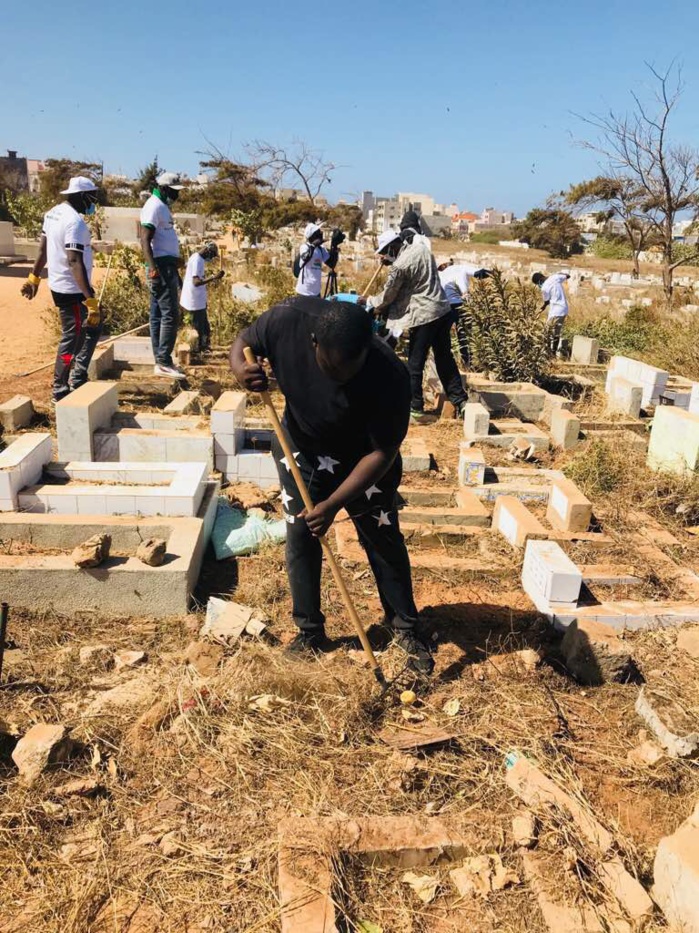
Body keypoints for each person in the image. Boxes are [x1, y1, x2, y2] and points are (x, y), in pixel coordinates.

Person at [230, 299, 434, 675]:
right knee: (301, 536)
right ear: (313, 343)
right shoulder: (285, 321)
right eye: (332, 366)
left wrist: (334, 504)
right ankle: (309, 632)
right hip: (303, 451)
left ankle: (405, 626)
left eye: (350, 369)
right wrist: (242, 368)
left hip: (365, 463)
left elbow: (383, 452)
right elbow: (245, 339)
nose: (340, 378)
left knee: (382, 538)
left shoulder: (389, 373)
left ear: (367, 349)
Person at [364, 230, 467, 423]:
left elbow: (388, 296)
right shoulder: (421, 250)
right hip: (441, 310)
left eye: (386, 252)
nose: (385, 256)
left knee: (415, 362)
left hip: (423, 316)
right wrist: (392, 263)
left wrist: (369, 301)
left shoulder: (400, 265)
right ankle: (460, 401)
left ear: (393, 246)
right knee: (444, 358)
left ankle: (415, 407)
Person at [21, 176, 103, 404]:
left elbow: (42, 250)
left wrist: (34, 278)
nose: (93, 201)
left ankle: (76, 376)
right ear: (80, 196)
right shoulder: (74, 222)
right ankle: (61, 387)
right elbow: (74, 261)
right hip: (72, 289)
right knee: (72, 338)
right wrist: (90, 299)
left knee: (92, 328)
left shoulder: (52, 213)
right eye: (91, 197)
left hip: (60, 284)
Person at [140, 171, 186, 379]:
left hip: (166, 266)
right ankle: (164, 361)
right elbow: (144, 239)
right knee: (170, 314)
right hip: (160, 266)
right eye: (174, 192)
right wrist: (153, 268)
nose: (176, 196)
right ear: (165, 188)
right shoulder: (154, 206)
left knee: (158, 314)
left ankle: (161, 360)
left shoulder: (162, 207)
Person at [437, 260, 492, 367]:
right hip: (463, 304)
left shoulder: (439, 274)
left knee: (443, 335)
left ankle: (447, 362)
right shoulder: (462, 267)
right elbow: (480, 273)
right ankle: (468, 362)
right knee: (465, 333)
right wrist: (494, 273)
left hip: (446, 307)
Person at [180, 243, 224, 354]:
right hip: (194, 300)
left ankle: (203, 348)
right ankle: (198, 351)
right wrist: (214, 277)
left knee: (204, 327)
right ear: (207, 251)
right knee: (199, 328)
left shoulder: (196, 258)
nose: (211, 258)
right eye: (212, 255)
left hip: (197, 300)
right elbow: (196, 282)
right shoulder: (197, 261)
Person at [294, 223, 341, 297]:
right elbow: (305, 258)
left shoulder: (321, 249)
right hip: (303, 292)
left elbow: (331, 264)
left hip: (316, 292)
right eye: (318, 231)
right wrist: (313, 245)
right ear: (313, 235)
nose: (321, 233)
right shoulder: (304, 247)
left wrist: (334, 247)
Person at [532, 271, 570, 355]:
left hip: (556, 311)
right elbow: (568, 276)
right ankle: (552, 353)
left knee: (547, 332)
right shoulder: (555, 277)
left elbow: (547, 301)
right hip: (564, 309)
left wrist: (543, 306)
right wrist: (560, 273)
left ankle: (549, 353)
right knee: (556, 332)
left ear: (539, 281)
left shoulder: (544, 287)